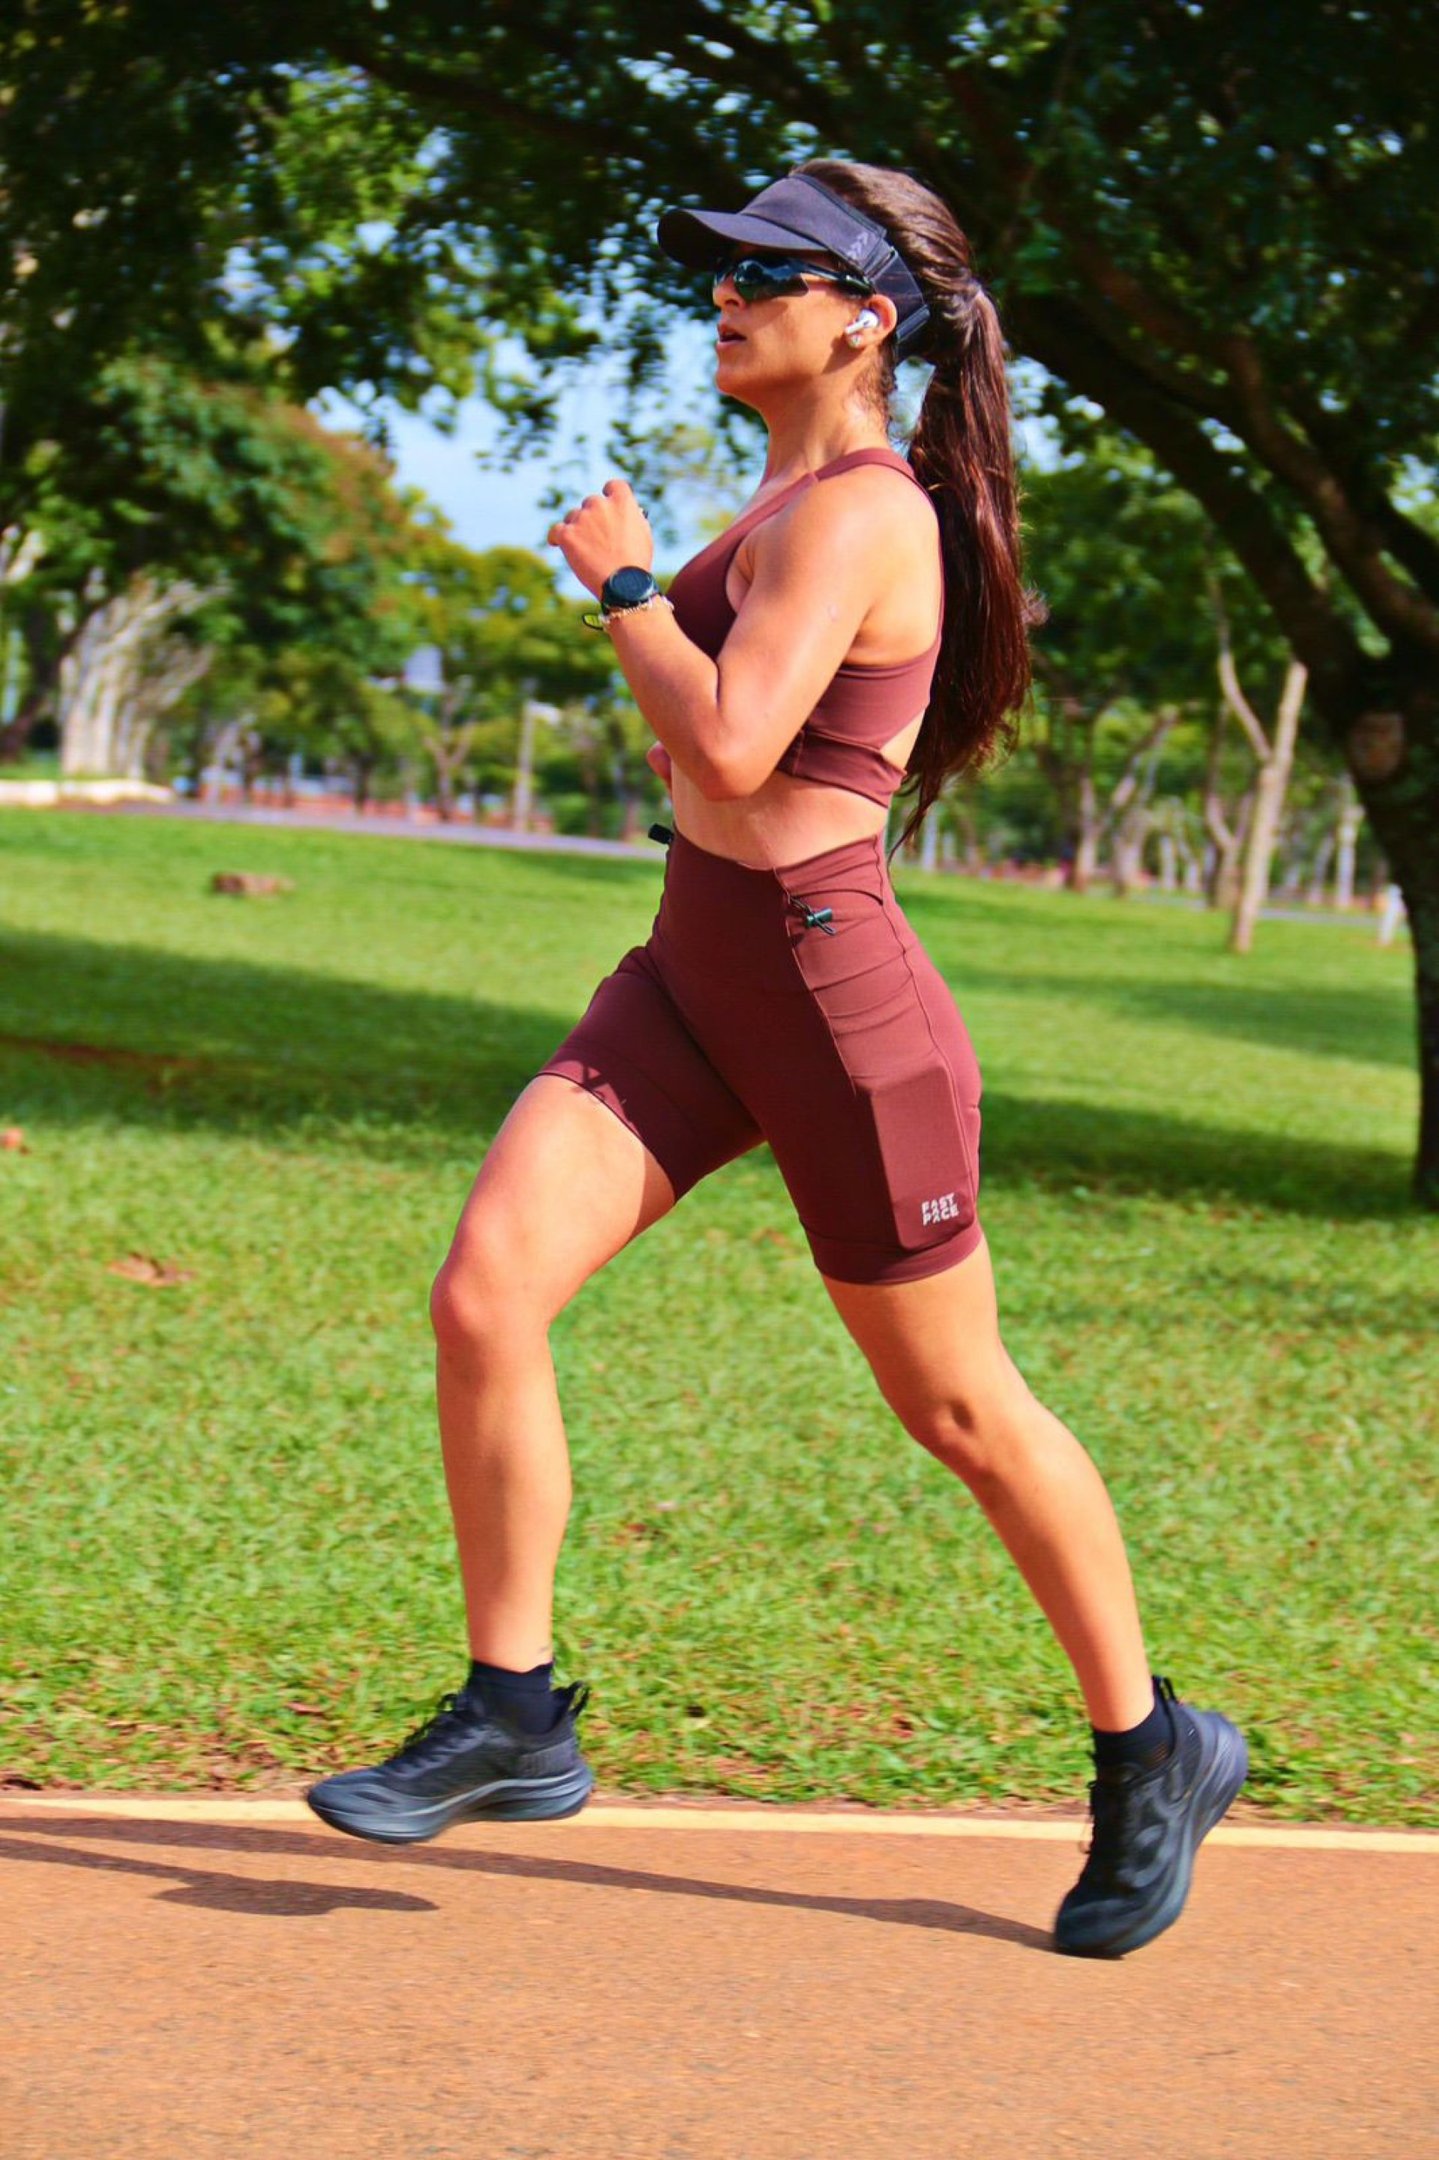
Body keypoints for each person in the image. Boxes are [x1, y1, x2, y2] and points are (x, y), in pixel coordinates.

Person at [306, 160, 1248, 1958]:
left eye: (766, 276)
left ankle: (1153, 1746)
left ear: (863, 318)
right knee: (488, 1292)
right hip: (691, 975)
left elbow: (738, 751)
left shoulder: (870, 515)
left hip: (835, 1013)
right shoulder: (793, 493)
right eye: (720, 272)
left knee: (960, 1410)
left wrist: (626, 584)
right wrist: (663, 583)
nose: (723, 297)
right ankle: (515, 1709)